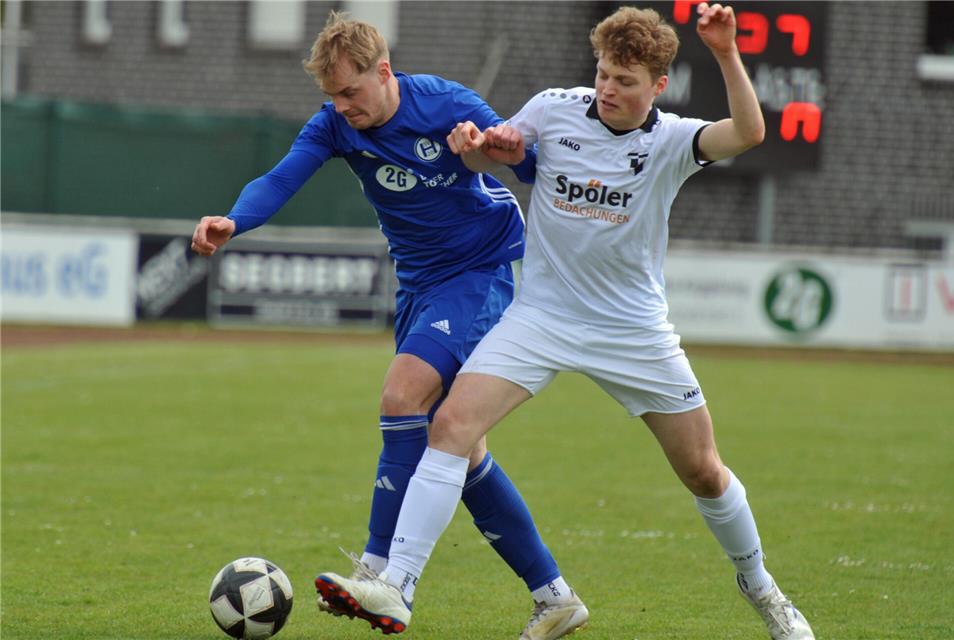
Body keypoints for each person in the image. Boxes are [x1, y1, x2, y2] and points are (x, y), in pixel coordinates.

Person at [316, 3, 816, 639]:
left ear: (658, 86)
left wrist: (724, 52)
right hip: (543, 315)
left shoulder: (670, 142)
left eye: (625, 81)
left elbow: (747, 133)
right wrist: (480, 148)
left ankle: (762, 588)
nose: (608, 88)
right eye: (604, 74)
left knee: (703, 471)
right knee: (450, 425)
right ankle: (397, 587)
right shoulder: (554, 106)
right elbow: (495, 155)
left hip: (632, 331)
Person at [190, 11, 588, 640]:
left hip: (487, 270)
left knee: (402, 395)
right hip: (422, 287)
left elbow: (530, 164)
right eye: (332, 96)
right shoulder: (335, 128)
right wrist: (234, 222)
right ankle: (554, 596)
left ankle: (380, 570)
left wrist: (490, 150)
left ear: (383, 71)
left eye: (350, 91)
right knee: (458, 447)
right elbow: (280, 179)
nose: (341, 106)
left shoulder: (448, 104)